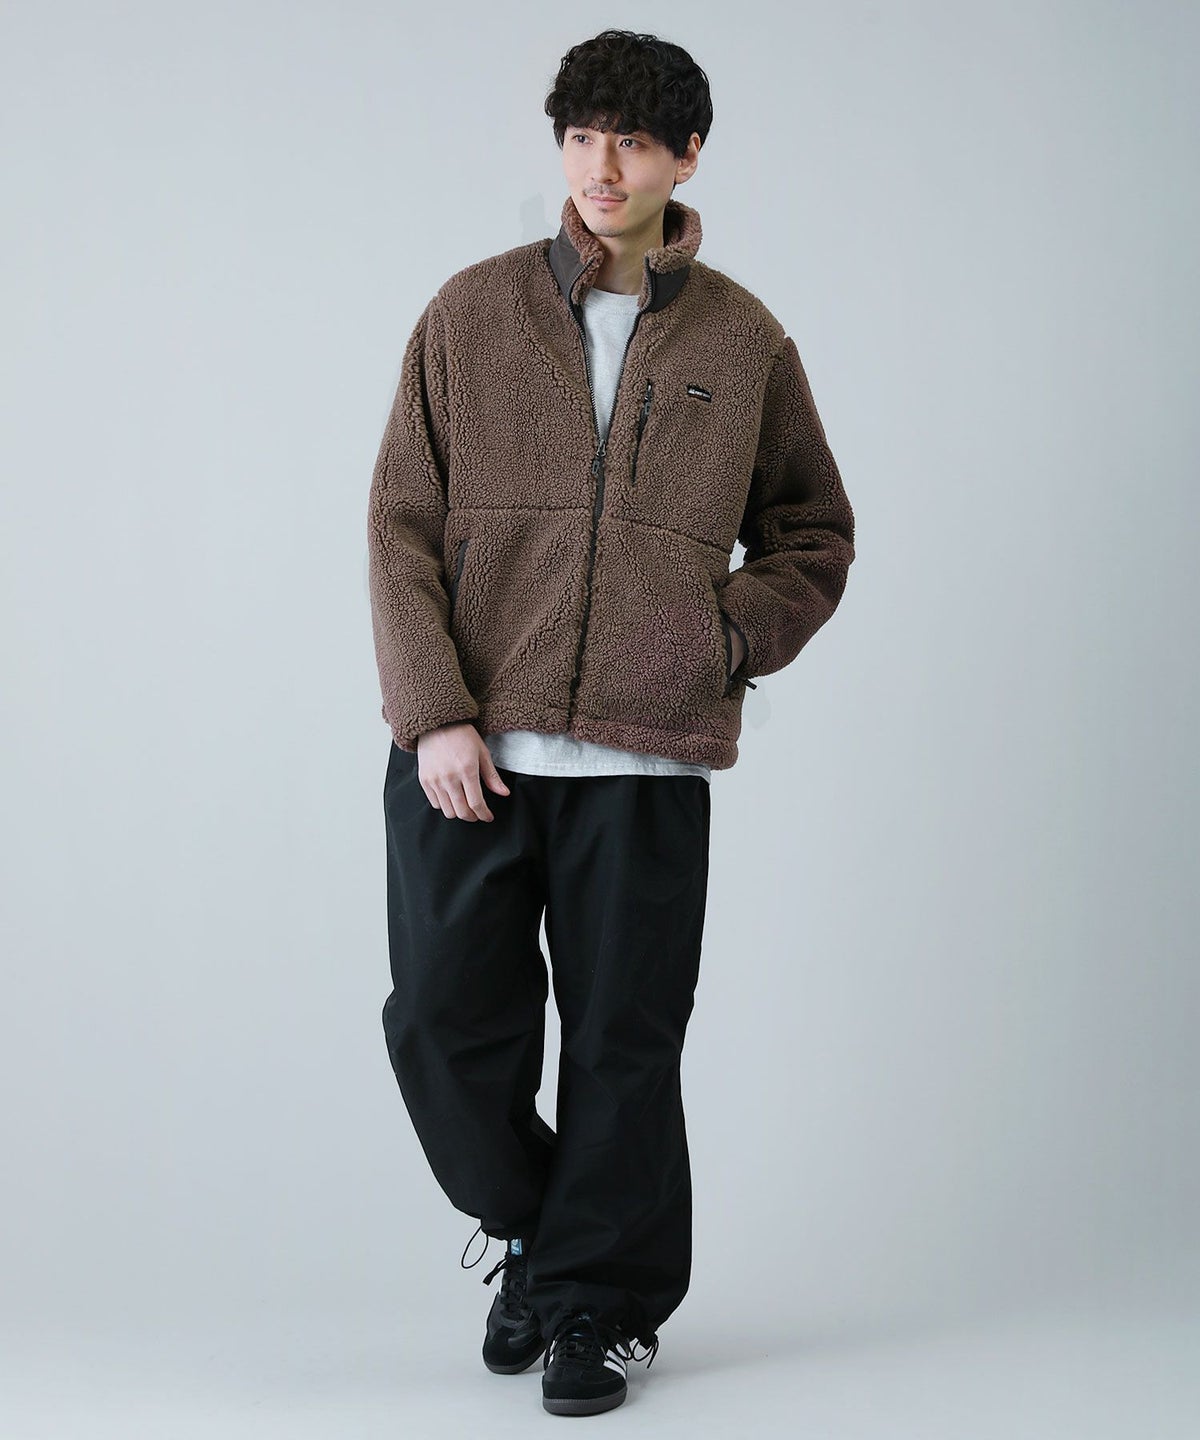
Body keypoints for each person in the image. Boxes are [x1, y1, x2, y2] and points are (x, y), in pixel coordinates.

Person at [367, 28, 855, 1417]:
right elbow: (400, 523)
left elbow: (813, 532)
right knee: (440, 1026)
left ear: (686, 157)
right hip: (472, 753)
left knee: (624, 1045)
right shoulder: (469, 315)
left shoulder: (743, 340)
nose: (602, 165)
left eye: (632, 140)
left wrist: (720, 639)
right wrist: (434, 713)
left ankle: (596, 1307)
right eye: (582, 137)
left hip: (644, 759)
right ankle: (543, 1233)